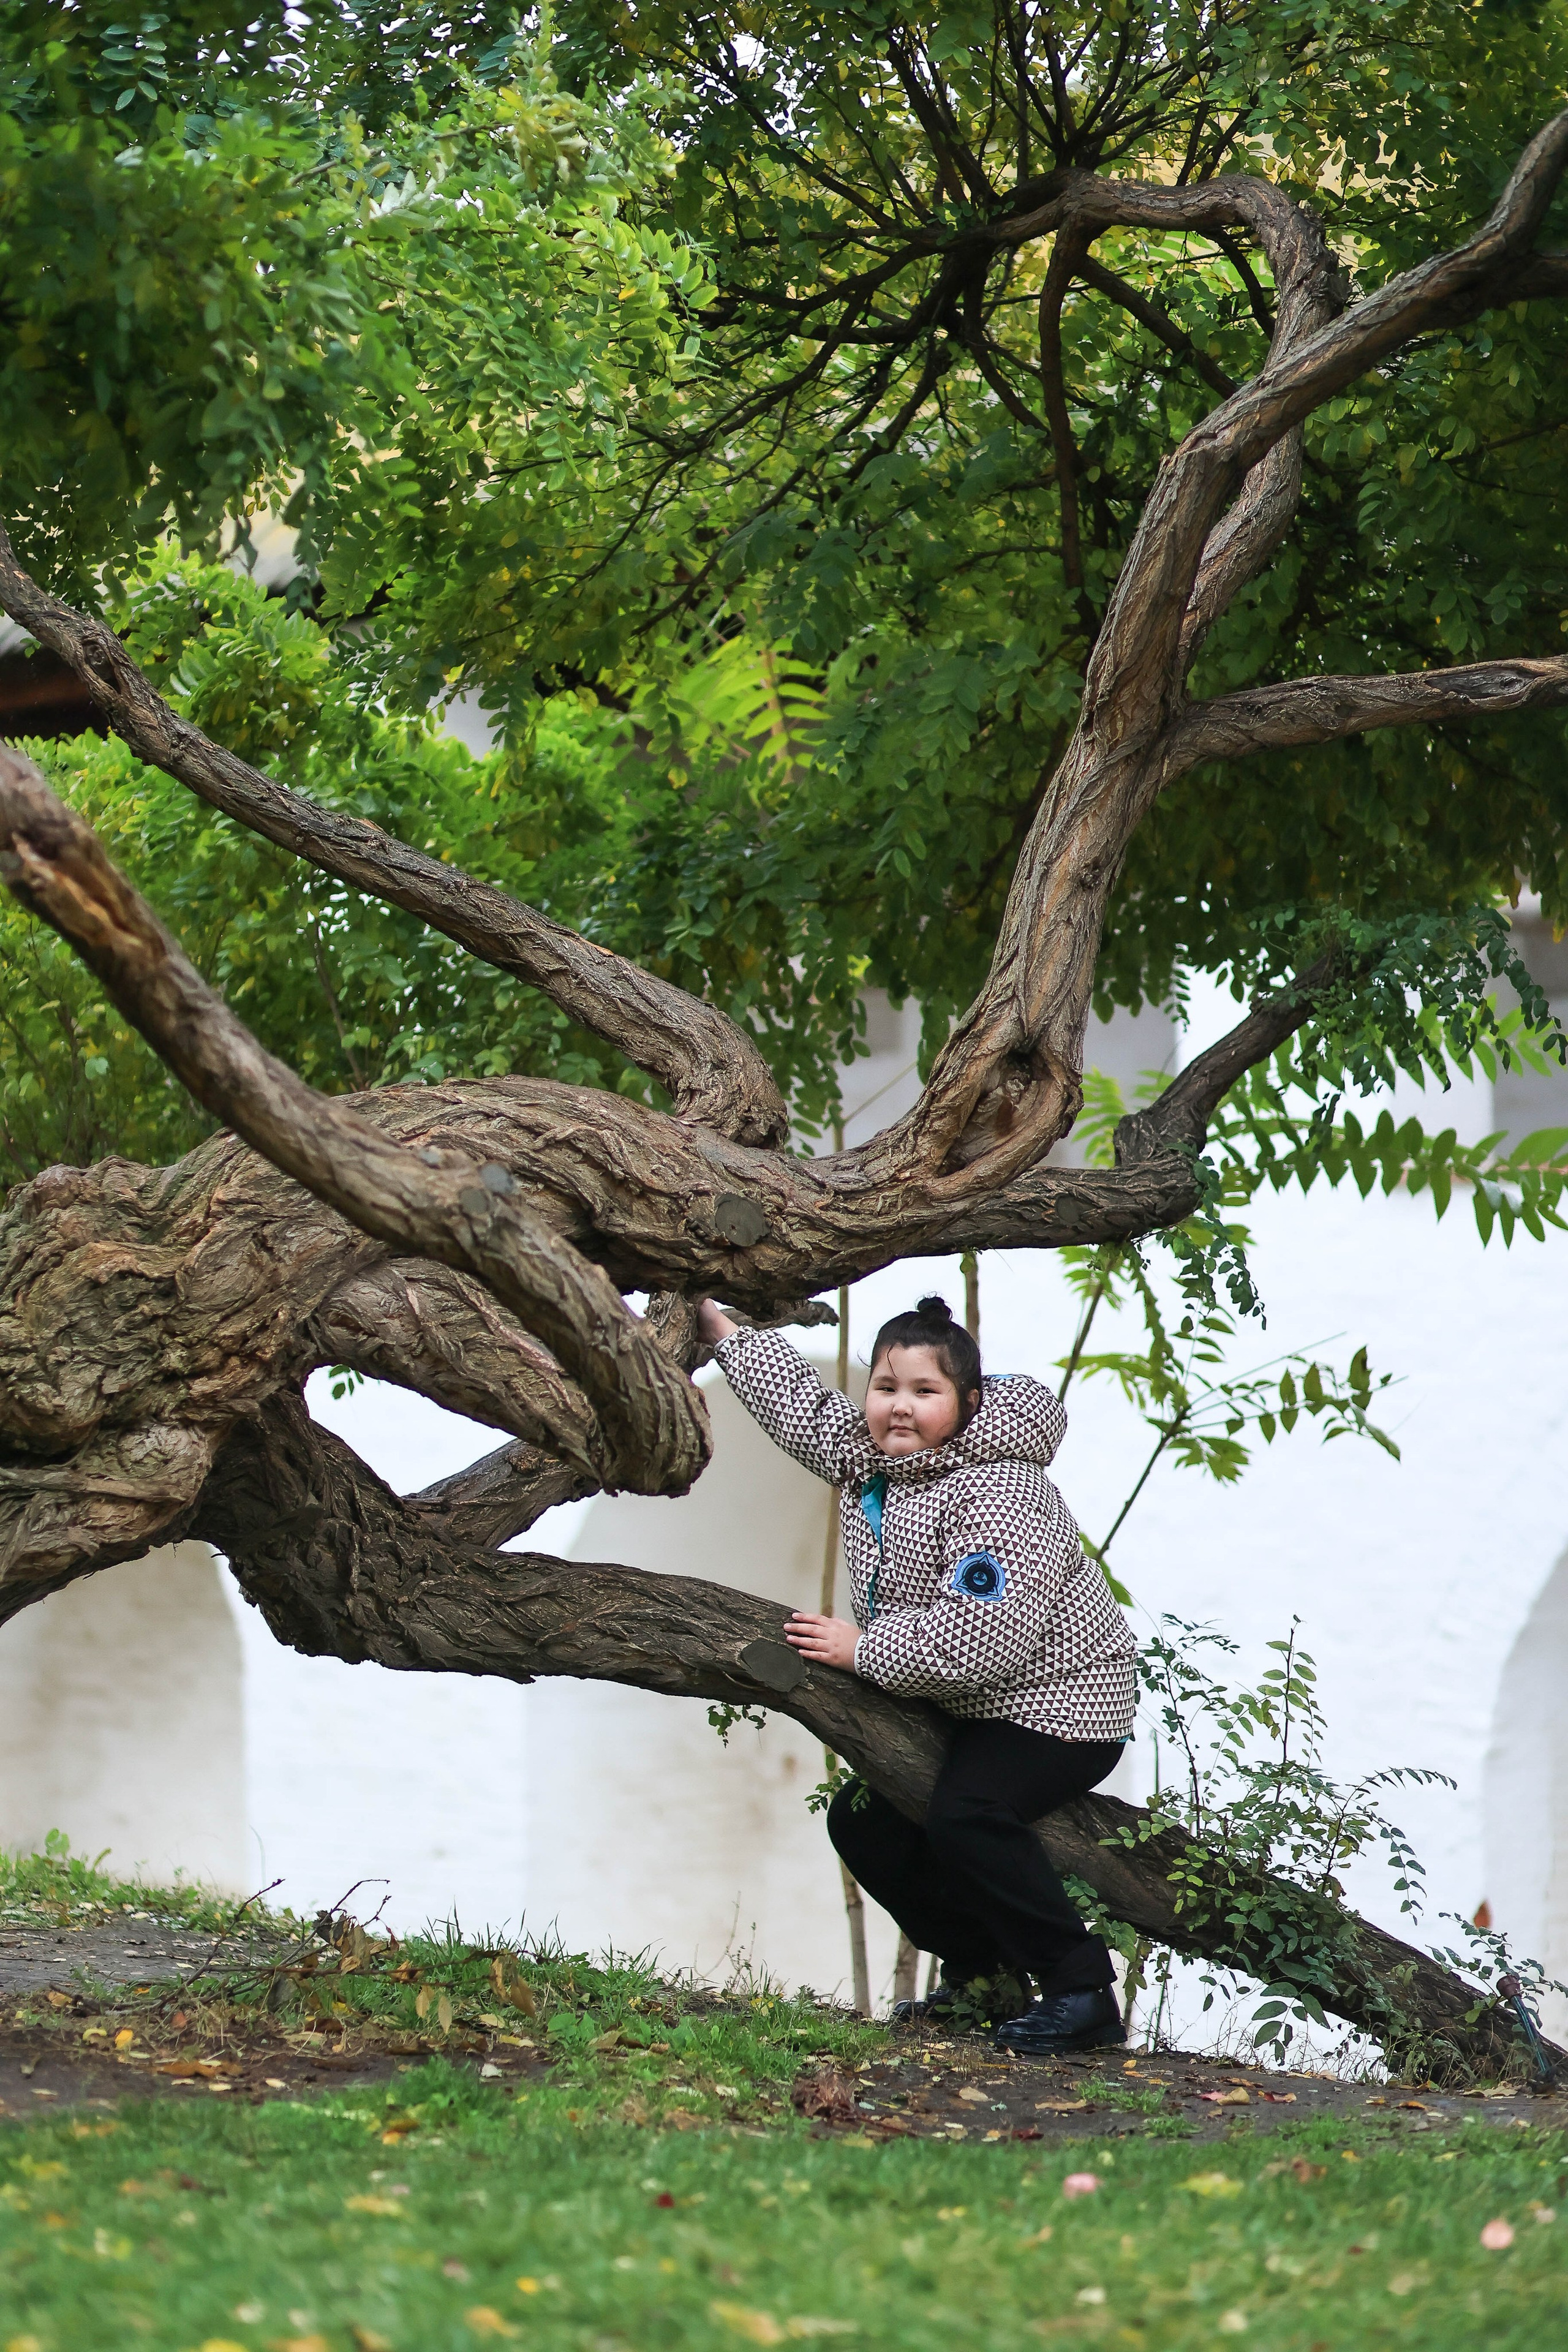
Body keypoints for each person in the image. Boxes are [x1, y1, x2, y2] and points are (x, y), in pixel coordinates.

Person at [695, 1291, 1137, 2055]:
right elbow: (802, 1408)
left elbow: (987, 1636)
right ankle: (980, 1973)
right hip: (969, 1703)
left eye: (924, 1392)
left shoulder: (1000, 1488)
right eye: (885, 1388)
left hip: (1061, 1706)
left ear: (967, 1403)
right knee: (865, 1823)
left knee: (967, 1815)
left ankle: (1080, 1990)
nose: (900, 1408)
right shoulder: (876, 1457)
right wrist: (723, 1332)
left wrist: (860, 1650)